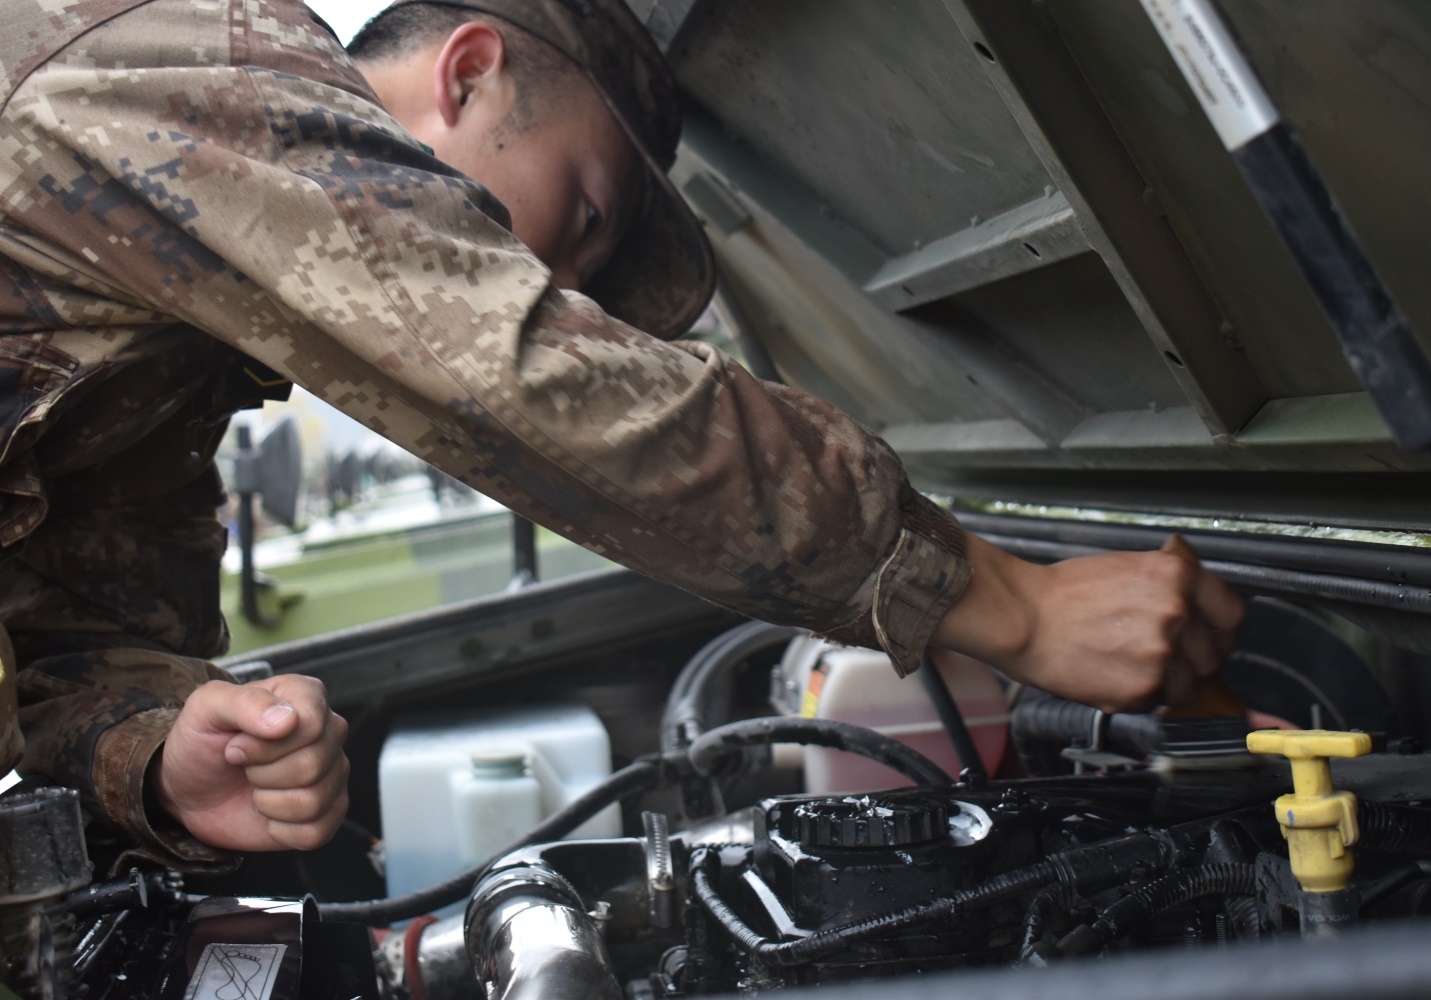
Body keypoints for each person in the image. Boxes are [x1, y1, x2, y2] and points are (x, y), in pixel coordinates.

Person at [0, 0, 1242, 869]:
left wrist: (152, 757)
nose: (558, 281)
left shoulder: (171, 355)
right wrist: (1011, 606)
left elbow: (68, 643)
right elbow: (521, 372)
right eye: (584, 213)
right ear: (469, 70)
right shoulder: (183, 58)